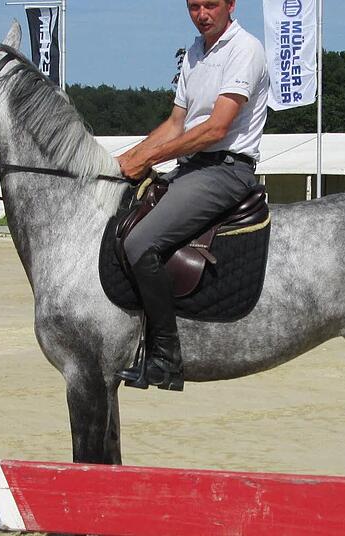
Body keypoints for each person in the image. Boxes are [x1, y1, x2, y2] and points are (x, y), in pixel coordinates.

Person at [114, 0, 269, 392]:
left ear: (231, 4)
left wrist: (149, 158)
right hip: (191, 167)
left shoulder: (245, 49)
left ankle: (166, 358)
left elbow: (216, 128)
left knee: (139, 243)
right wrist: (127, 158)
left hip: (226, 170)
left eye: (211, 5)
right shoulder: (195, 52)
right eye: (194, 6)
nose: (202, 14)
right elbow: (175, 124)